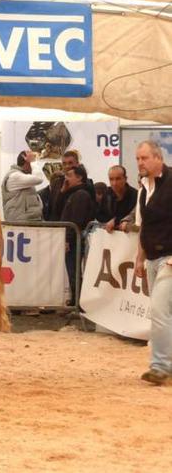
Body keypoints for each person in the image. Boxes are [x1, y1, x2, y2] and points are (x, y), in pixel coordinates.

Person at [133, 141, 172, 385]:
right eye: (138, 158)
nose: (140, 163)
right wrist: (139, 257)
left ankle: (159, 367)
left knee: (159, 311)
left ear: (158, 158)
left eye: (145, 158)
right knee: (166, 313)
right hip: (152, 258)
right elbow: (143, 226)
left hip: (170, 258)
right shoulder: (142, 189)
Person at [59, 164, 95, 306]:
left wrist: (68, 239)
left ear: (79, 177)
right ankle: (76, 301)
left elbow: (76, 219)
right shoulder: (73, 194)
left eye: (69, 176)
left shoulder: (81, 195)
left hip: (74, 240)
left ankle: (78, 303)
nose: (66, 179)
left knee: (74, 271)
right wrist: (62, 192)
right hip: (73, 238)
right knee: (72, 271)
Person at [1, 150, 43, 221]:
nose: (33, 167)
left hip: (28, 221)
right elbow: (39, 179)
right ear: (27, 163)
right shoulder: (15, 176)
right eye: (31, 162)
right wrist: (33, 162)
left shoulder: (23, 177)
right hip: (19, 222)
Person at [102, 165, 138, 232]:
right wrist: (107, 222)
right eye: (111, 179)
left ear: (125, 179)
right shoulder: (107, 194)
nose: (114, 183)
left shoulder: (135, 195)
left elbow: (134, 216)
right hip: (109, 235)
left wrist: (116, 221)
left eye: (118, 179)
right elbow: (101, 214)